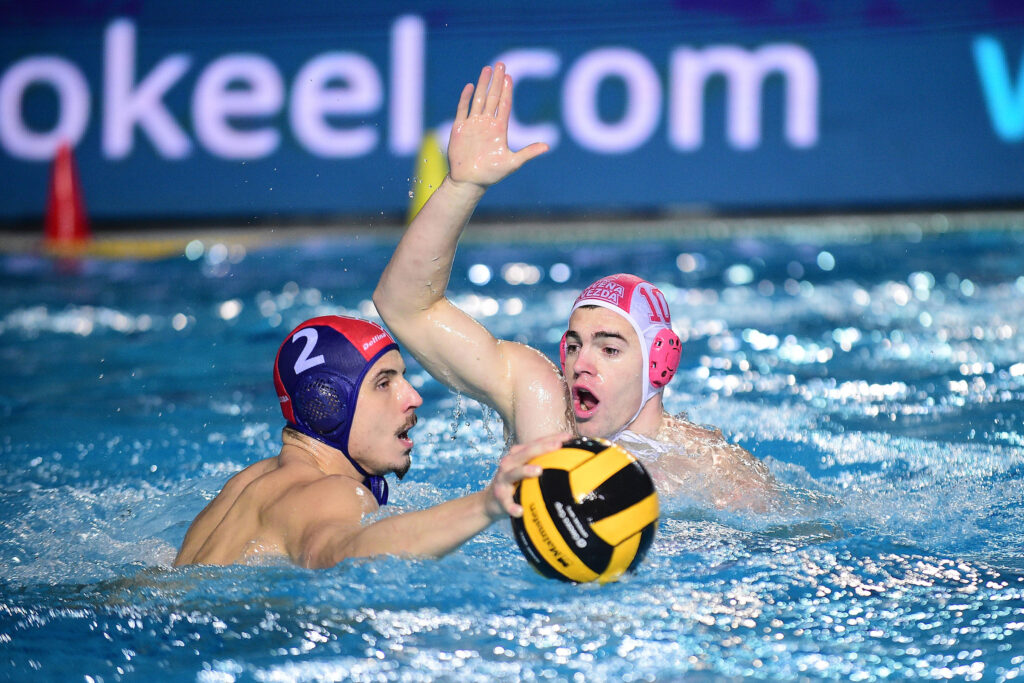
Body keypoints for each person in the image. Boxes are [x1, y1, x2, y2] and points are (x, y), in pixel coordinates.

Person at [374, 63, 779, 512]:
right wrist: (462, 185)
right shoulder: (540, 403)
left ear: (660, 363)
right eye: (572, 345)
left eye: (609, 349)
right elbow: (405, 306)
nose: (580, 365)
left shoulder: (714, 472)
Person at [174, 314, 568, 568]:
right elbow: (343, 551)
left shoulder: (248, 483)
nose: (413, 396)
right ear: (327, 406)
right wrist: (485, 506)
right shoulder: (330, 494)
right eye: (384, 383)